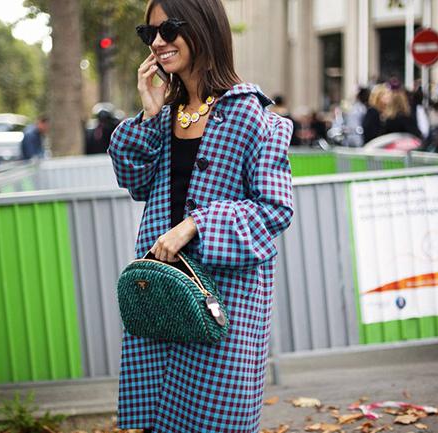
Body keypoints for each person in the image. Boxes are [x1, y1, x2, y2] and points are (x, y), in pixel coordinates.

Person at [107, 1, 294, 432]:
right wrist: (150, 112)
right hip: (163, 294)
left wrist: (197, 224)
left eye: (169, 29)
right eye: (148, 33)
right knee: (158, 419)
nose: (157, 41)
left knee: (215, 421)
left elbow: (275, 210)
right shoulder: (167, 114)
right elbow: (134, 181)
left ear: (203, 28)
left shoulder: (251, 116)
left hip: (223, 304)